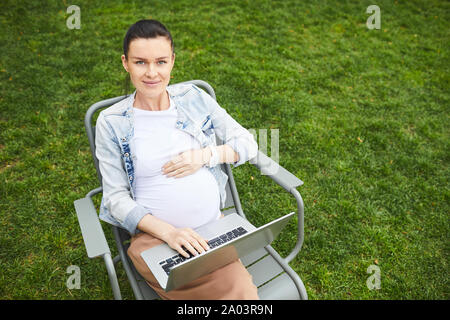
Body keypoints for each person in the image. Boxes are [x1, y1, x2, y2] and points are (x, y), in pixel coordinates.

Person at [95, 19, 259, 300]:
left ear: (172, 61)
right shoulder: (111, 122)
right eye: (140, 62)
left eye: (160, 62)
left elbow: (248, 144)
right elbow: (115, 198)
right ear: (125, 63)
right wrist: (170, 234)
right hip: (157, 240)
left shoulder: (194, 98)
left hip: (212, 231)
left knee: (239, 296)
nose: (151, 73)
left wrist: (205, 156)